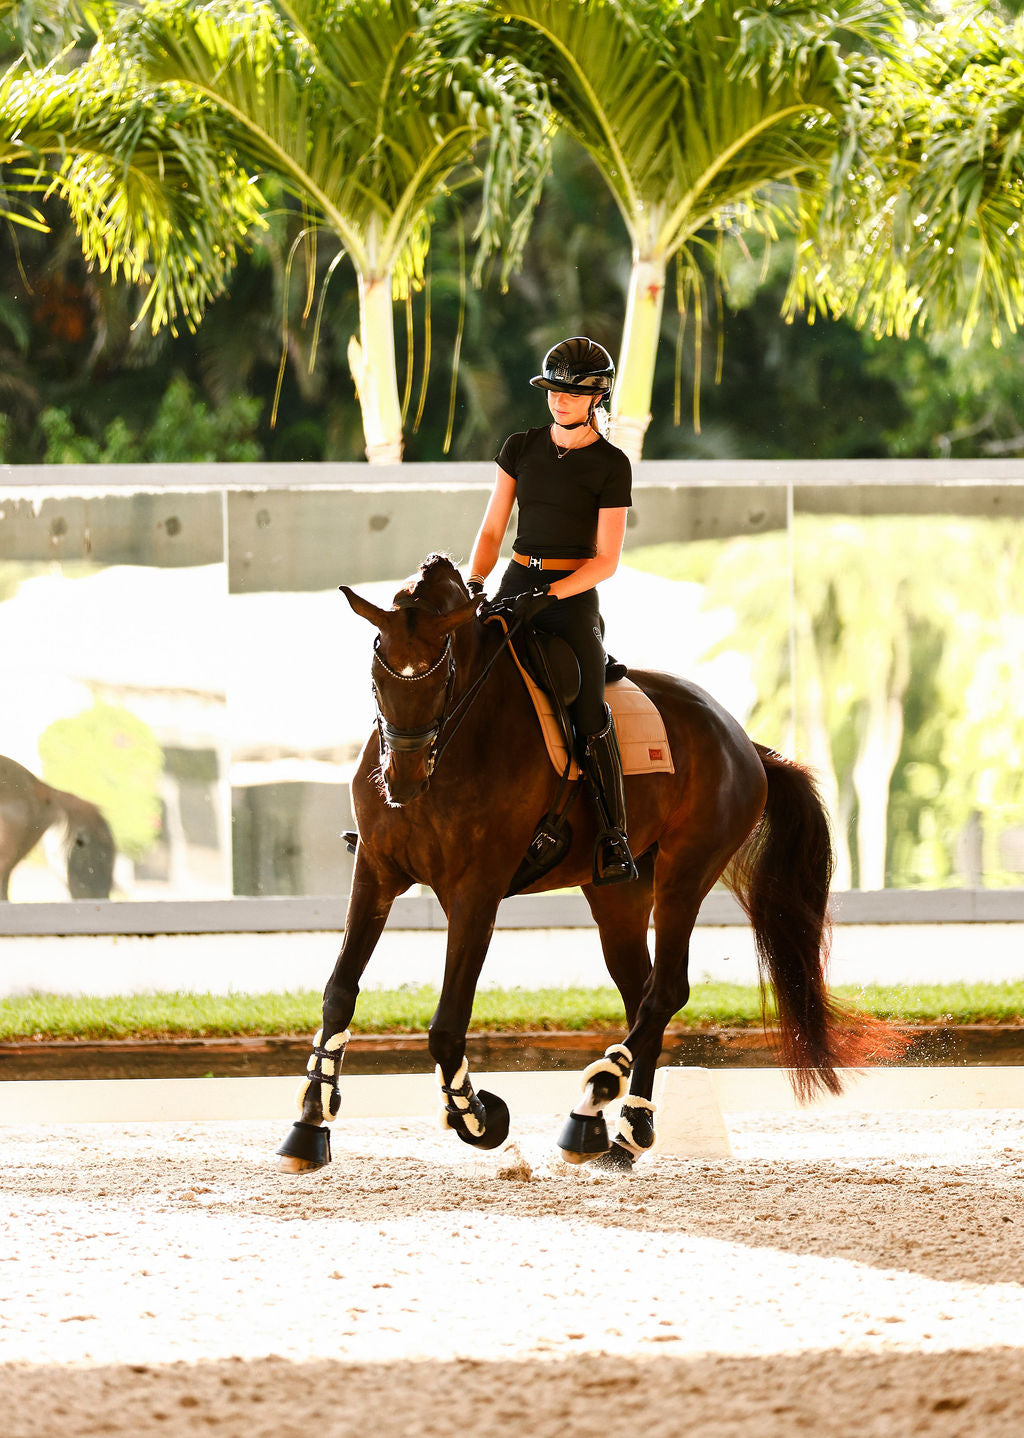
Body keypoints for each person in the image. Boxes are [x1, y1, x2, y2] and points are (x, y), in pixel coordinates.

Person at [466, 335, 638, 885]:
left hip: (573, 595)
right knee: (459, 671)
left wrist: (551, 595)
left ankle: (614, 836)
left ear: (595, 398)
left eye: (571, 392)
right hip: (516, 577)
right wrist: (475, 583)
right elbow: (493, 528)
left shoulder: (611, 465)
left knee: (589, 712)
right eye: (553, 390)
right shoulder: (520, 447)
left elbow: (607, 560)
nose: (559, 400)